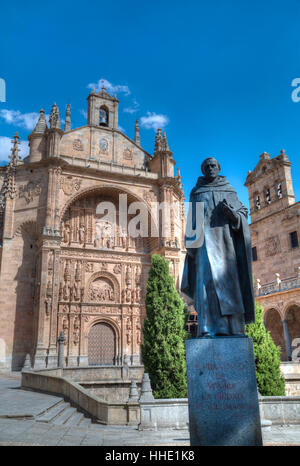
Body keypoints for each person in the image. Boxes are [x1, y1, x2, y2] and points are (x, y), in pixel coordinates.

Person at [181, 157, 255, 337]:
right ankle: (208, 328)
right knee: (206, 285)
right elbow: (193, 222)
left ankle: (234, 328)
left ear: (219, 168)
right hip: (204, 246)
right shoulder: (197, 192)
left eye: (213, 165)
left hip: (226, 244)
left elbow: (243, 212)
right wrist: (191, 248)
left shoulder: (228, 190)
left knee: (230, 285)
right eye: (206, 166)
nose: (210, 168)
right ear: (203, 170)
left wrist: (234, 216)